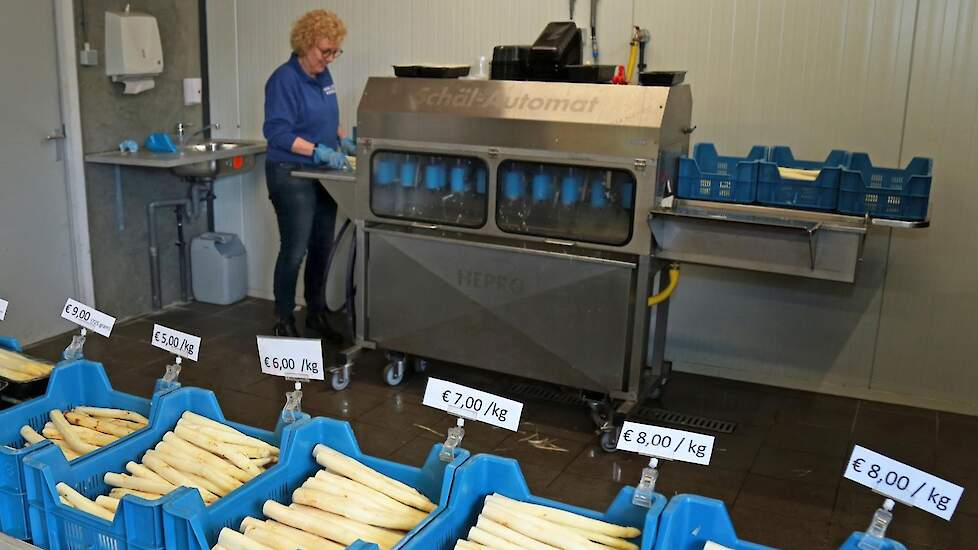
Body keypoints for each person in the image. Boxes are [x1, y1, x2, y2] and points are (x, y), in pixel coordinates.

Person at [262, 9, 356, 340]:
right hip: (291, 172)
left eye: (334, 52)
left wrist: (342, 138)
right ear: (305, 44)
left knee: (321, 246)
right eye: (324, 51)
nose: (329, 59)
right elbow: (277, 133)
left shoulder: (322, 77)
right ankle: (283, 317)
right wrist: (317, 150)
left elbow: (328, 116)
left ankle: (316, 313)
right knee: (295, 248)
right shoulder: (284, 80)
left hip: (322, 173)